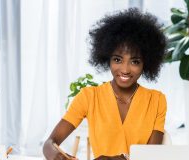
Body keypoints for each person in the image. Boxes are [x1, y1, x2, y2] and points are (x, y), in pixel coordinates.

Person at [43, 8, 167, 160]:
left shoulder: (156, 100)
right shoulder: (89, 97)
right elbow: (49, 143)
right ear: (106, 58)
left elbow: (152, 156)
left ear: (146, 63)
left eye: (135, 61)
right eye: (117, 60)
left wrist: (122, 158)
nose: (125, 69)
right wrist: (57, 156)